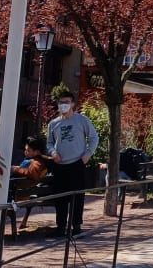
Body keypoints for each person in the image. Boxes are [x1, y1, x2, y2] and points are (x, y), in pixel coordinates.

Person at [46, 91, 99, 237]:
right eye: (61, 102)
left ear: (73, 104)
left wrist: (87, 155)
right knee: (60, 198)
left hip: (77, 163)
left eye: (67, 102)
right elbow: (49, 142)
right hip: (60, 165)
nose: (64, 105)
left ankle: (76, 226)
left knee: (77, 197)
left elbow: (94, 138)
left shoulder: (82, 120)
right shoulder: (53, 124)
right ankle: (60, 227)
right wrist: (53, 153)